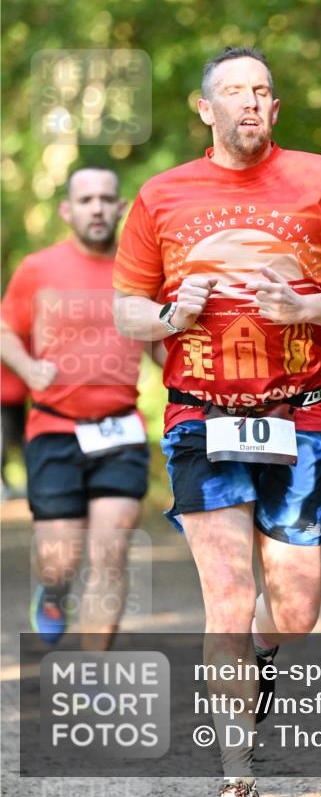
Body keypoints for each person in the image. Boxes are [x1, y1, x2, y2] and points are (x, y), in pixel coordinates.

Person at [112, 45, 321, 797]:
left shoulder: (320, 180)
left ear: (275, 107)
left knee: (294, 609)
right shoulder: (161, 195)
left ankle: (265, 656)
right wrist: (170, 314)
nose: (249, 103)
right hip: (201, 417)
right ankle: (236, 769)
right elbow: (127, 311)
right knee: (229, 592)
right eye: (233, 92)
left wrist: (307, 307)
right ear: (205, 109)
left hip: (297, 416)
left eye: (261, 91)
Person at [1, 166, 151, 648]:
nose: (97, 208)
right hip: (54, 430)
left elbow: (160, 341)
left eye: (107, 199)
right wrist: (27, 367)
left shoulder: (143, 271)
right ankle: (53, 589)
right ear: (68, 210)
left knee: (110, 554)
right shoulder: (38, 269)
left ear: (121, 207)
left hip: (121, 431)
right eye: (86, 200)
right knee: (59, 558)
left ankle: (93, 673)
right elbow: (5, 330)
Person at [1, 362, 28, 499]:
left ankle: (12, 484)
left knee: (16, 441)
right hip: (8, 396)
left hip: (18, 395)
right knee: (8, 442)